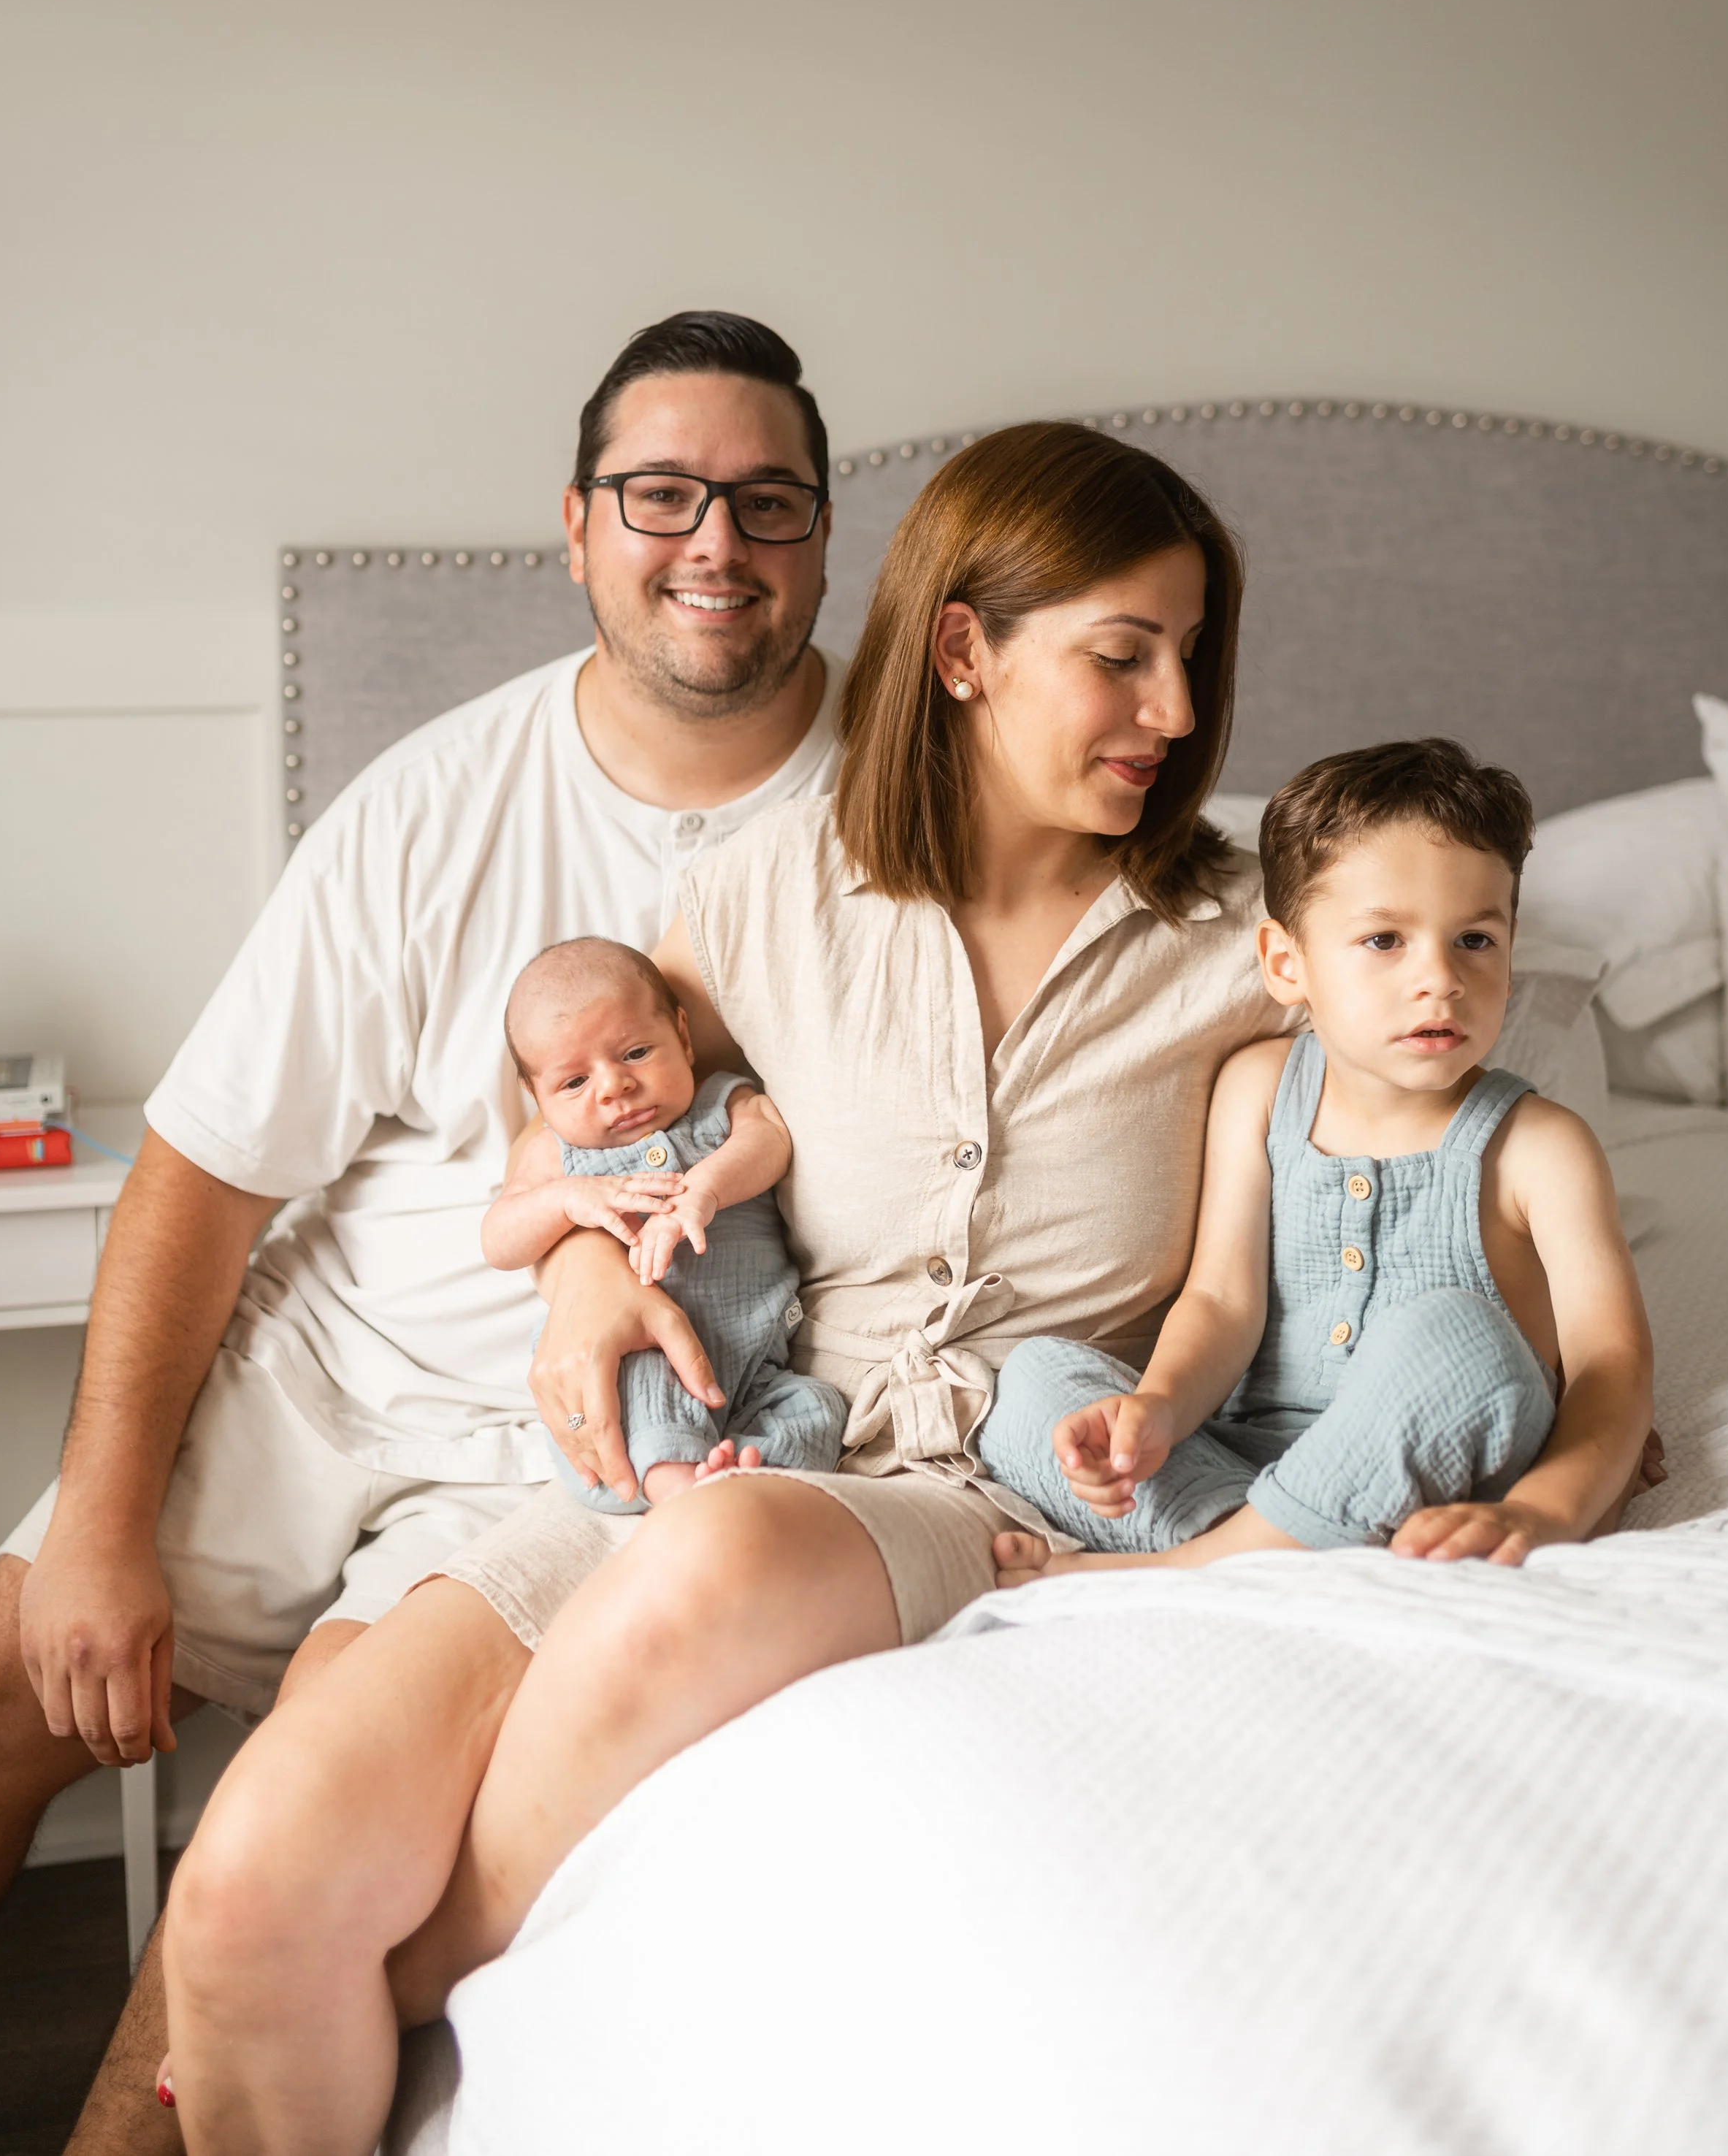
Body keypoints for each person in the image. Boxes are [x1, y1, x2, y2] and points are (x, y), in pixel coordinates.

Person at [161, 416, 1290, 2154]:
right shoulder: (768, 891)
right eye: (1121, 655)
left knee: (722, 1551)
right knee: (241, 1887)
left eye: (1190, 656)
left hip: (943, 1477)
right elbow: (570, 1138)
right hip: (688, 1439)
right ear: (968, 649)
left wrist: (1560, 1394)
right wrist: (587, 1283)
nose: (1173, 711)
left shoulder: (1246, 940)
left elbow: (1428, 1152)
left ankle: (408, 1970)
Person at [0, 309, 841, 2155]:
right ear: (578, 522)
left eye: (769, 501)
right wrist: (102, 1530)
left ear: (825, 537)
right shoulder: (438, 796)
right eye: (663, 492)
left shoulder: (894, 810)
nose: (717, 543)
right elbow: (205, 1172)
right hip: (325, 1365)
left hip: (566, 1444)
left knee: (270, 1852)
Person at [979, 738, 1654, 1583]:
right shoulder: (1258, 1088)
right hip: (1244, 1464)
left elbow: (1610, 1368)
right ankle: (1261, 1548)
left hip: (1433, 1466)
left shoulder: (1539, 1146)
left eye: (1475, 940)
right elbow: (1222, 1302)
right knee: (1031, 1379)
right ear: (1284, 963)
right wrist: (1155, 1408)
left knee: (1462, 1334)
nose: (1438, 980)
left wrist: (1545, 1509)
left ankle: (1194, 1570)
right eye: (1383, 941)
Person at [488, 936, 845, 1505]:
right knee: (643, 1377)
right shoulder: (556, 1158)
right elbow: (498, 1239)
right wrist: (563, 1201)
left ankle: (749, 1480)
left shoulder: (722, 1105)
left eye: (634, 1053)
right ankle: (679, 1492)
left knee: (819, 1410)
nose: (614, 1087)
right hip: (630, 1373)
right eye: (574, 1082)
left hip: (759, 1368)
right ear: (535, 1096)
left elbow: (770, 1140)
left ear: (682, 1034)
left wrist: (705, 1187)